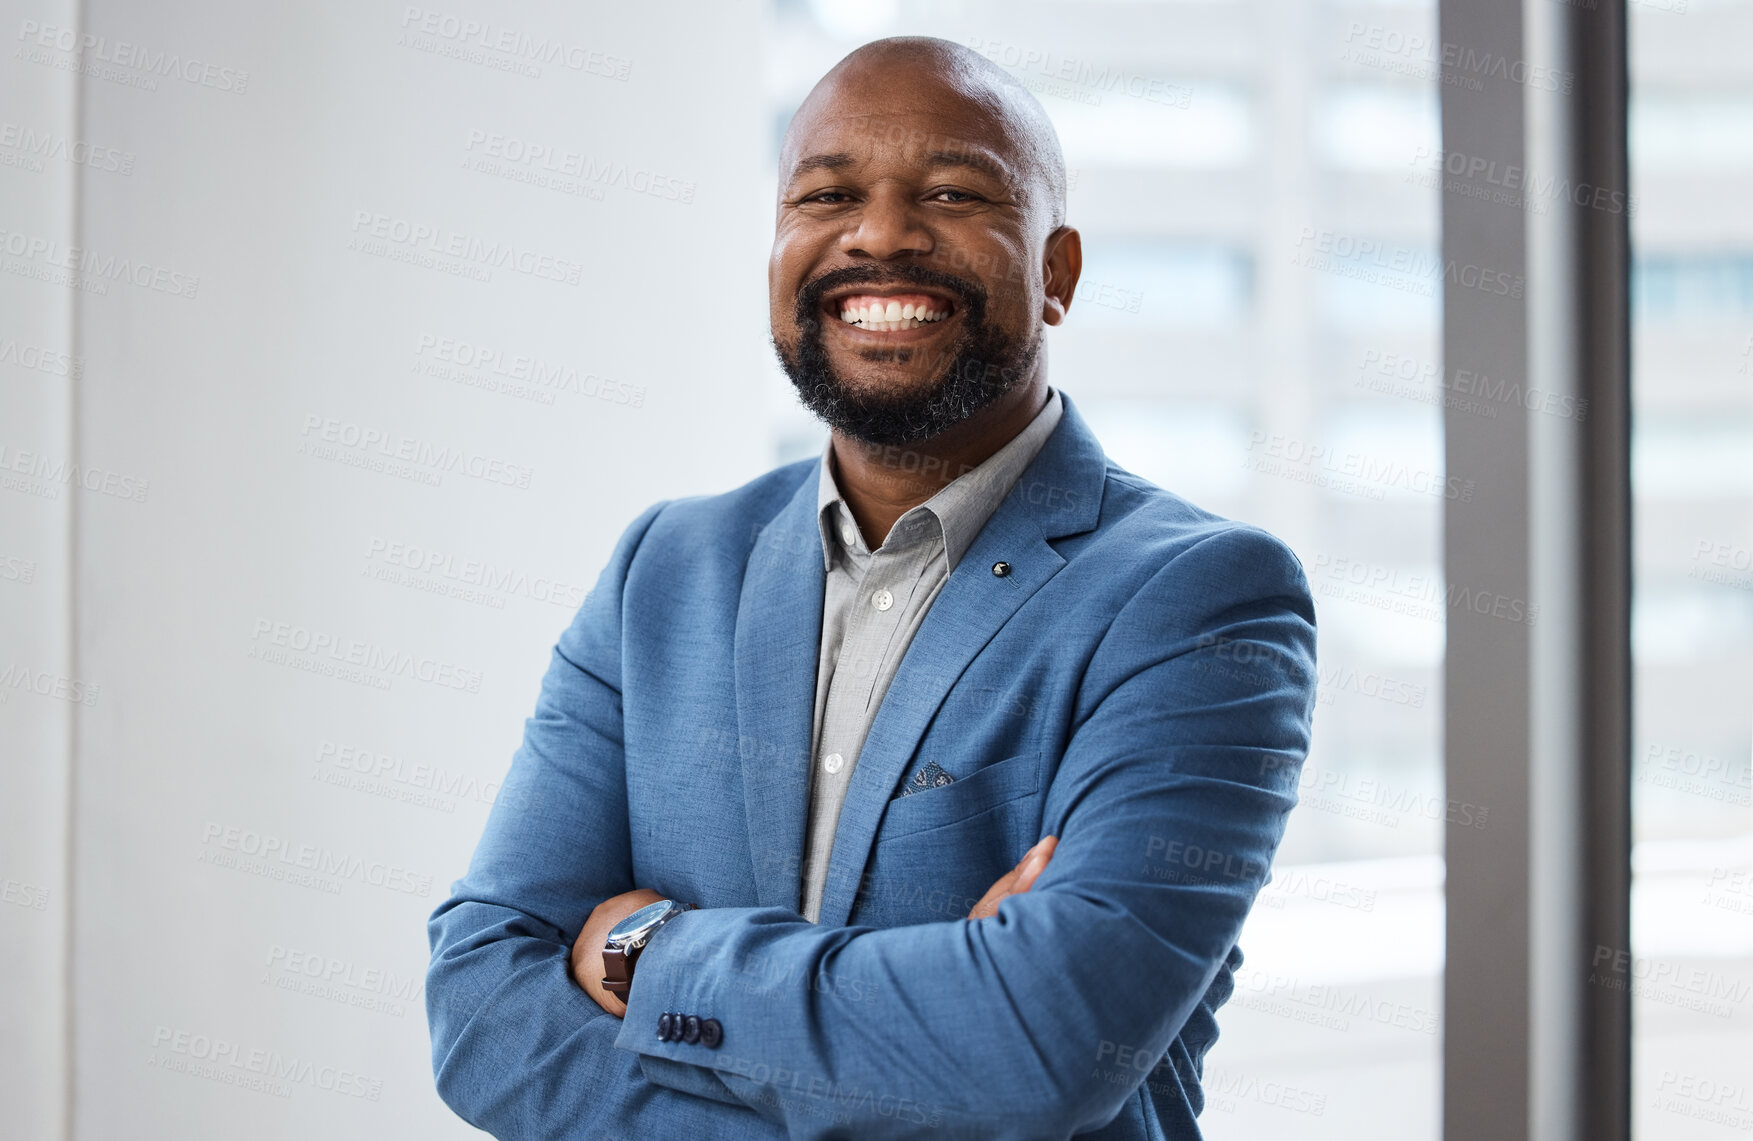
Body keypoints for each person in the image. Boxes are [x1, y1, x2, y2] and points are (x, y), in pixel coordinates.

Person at [426, 34, 1317, 1140]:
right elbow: (480, 1011)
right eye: (827, 193)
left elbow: (1042, 1042)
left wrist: (648, 950)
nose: (881, 233)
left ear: (1057, 273)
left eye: (951, 191)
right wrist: (932, 1008)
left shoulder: (1200, 600)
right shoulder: (664, 569)